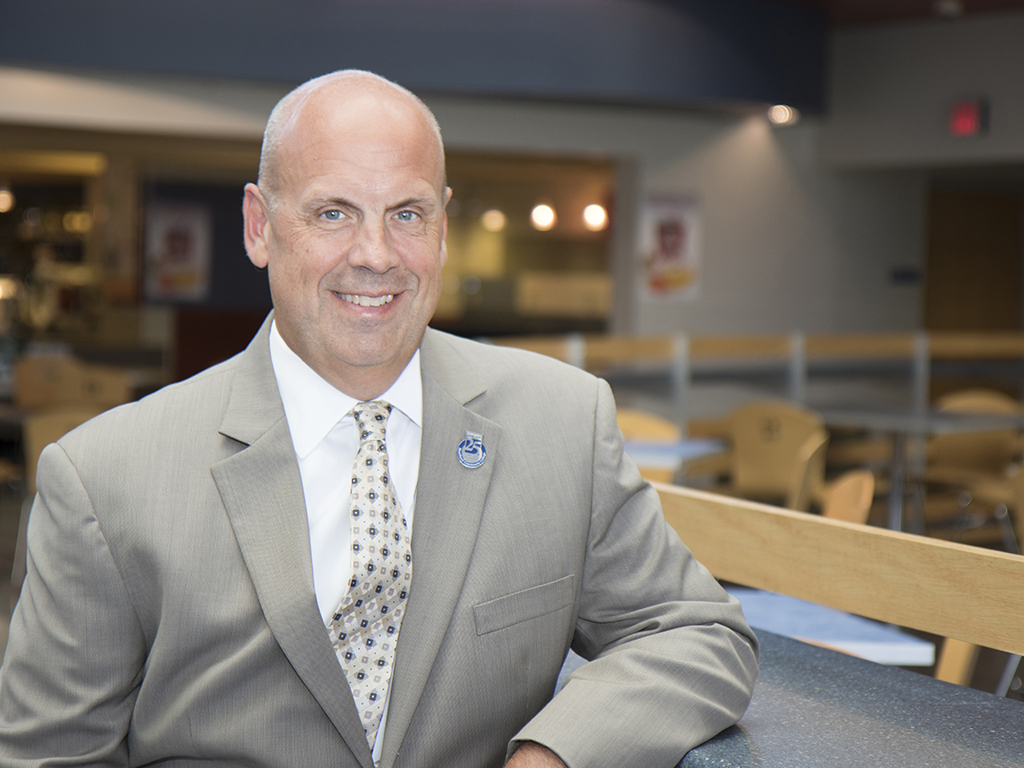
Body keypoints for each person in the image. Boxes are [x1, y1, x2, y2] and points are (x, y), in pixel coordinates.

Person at [0, 71, 758, 767]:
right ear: (260, 226)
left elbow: (694, 632)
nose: (375, 254)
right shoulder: (103, 480)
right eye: (333, 213)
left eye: (407, 214)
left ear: (443, 229)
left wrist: (554, 753)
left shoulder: (563, 422)